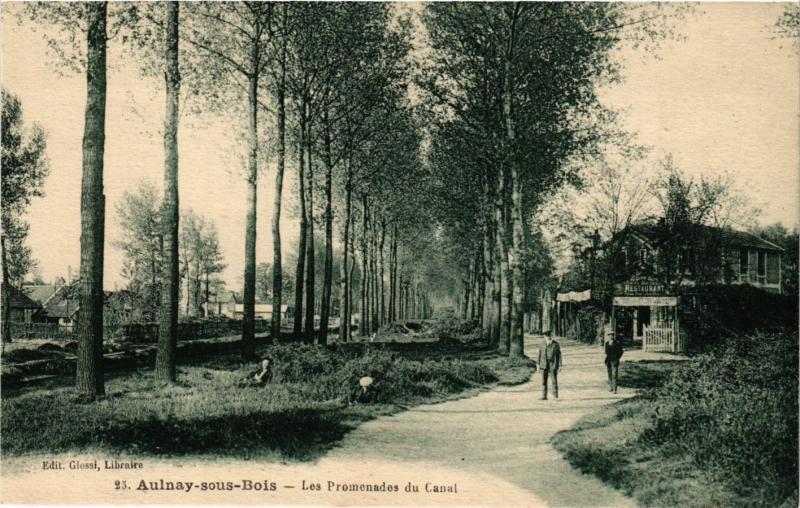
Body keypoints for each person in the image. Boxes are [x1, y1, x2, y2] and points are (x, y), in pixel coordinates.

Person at [536, 332, 562, 400]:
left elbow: (559, 355)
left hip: (553, 364)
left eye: (549, 335)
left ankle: (555, 396)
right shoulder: (541, 344)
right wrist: (538, 365)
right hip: (544, 364)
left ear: (552, 336)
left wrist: (560, 365)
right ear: (544, 336)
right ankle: (544, 396)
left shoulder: (556, 344)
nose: (548, 337)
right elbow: (539, 355)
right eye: (546, 336)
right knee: (544, 380)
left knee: (554, 380)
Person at [604, 328, 623, 393]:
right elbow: (606, 352)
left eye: (612, 335)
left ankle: (615, 389)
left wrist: (617, 358)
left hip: (614, 360)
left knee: (614, 374)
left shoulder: (617, 343)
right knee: (609, 374)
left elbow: (621, 351)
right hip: (608, 360)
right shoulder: (606, 343)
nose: (610, 336)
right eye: (609, 335)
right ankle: (611, 387)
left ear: (613, 336)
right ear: (608, 336)